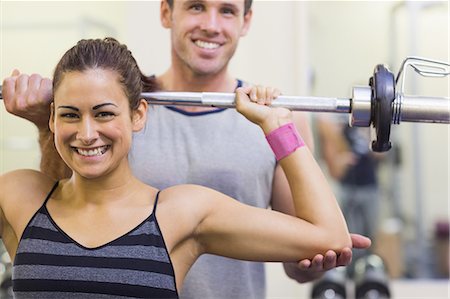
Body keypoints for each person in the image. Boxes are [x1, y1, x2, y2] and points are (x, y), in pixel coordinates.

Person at [1, 1, 371, 298]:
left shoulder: (185, 209)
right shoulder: (17, 192)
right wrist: (41, 124)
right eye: (196, 6)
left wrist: (278, 127)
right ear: (167, 12)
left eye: (226, 10)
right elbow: (53, 206)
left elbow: (322, 242)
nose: (87, 132)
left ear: (136, 116)